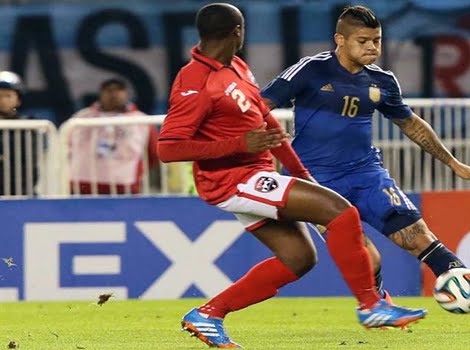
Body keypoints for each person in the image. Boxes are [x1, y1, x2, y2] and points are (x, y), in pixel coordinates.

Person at [158, 3, 427, 348]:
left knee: (299, 259)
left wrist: (302, 173)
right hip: (230, 180)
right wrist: (240, 143)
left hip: (254, 173)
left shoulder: (236, 67)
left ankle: (208, 314)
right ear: (237, 31)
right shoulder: (195, 80)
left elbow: (267, 126)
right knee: (341, 212)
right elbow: (168, 148)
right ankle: (371, 304)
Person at [261, 5, 470, 332]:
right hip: (316, 183)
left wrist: (453, 163)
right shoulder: (310, 70)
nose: (372, 47)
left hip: (366, 175)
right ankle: (378, 304)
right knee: (370, 259)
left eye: (376, 40)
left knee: (419, 237)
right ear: (340, 39)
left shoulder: (382, 81)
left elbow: (411, 124)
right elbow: (260, 106)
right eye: (363, 40)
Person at [68, 78, 158, 195]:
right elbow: (65, 147)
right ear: (101, 94)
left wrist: (137, 171)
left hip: (125, 185)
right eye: (109, 90)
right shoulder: (81, 117)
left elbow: (153, 154)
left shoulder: (142, 120)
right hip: (82, 185)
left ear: (126, 93)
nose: (113, 94)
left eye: (119, 90)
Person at [0, 71, 39, 196]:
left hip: (22, 191)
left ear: (18, 99)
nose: (2, 100)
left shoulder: (29, 124)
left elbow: (30, 162)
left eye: (8, 95)